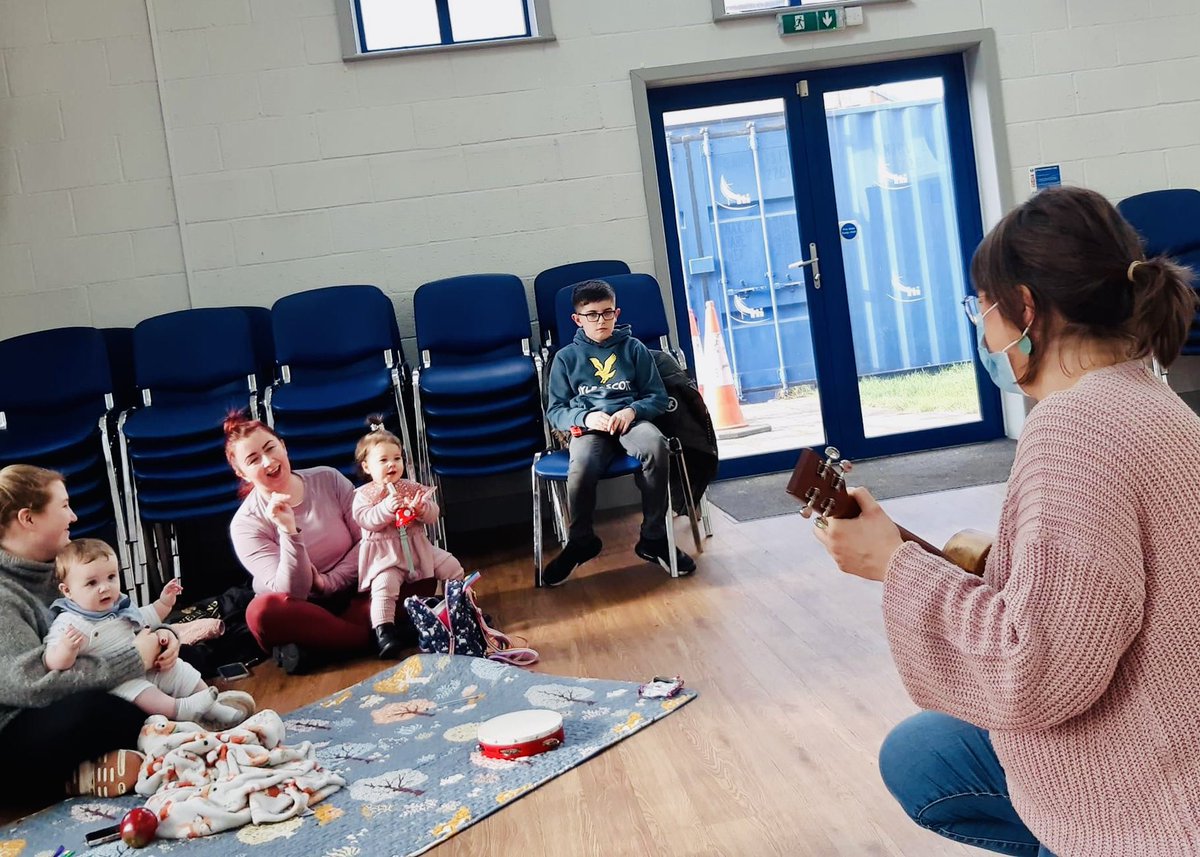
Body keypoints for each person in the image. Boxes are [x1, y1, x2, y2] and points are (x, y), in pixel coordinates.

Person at [813, 186, 1200, 856]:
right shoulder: (1153, 396)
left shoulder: (1071, 427)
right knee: (922, 749)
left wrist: (894, 566)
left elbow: (1035, 671)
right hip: (1177, 733)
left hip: (1155, 798)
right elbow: (1107, 583)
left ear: (1024, 308)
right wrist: (981, 563)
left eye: (981, 308)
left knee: (922, 759)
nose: (983, 332)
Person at [0, 464, 177, 800]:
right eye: (64, 506)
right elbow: (31, 685)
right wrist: (133, 660)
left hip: (62, 697)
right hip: (16, 729)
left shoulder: (57, 567)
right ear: (28, 518)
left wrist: (161, 639)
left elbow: (116, 621)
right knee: (103, 709)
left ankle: (96, 766)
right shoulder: (4, 595)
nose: (74, 517)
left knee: (172, 666)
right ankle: (65, 780)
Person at [225, 413, 436, 675]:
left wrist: (330, 582)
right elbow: (294, 591)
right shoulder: (245, 524)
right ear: (241, 472)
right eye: (253, 459)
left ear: (283, 446)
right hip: (304, 607)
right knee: (261, 613)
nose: (268, 462)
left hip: (359, 586)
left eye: (270, 448)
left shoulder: (328, 478)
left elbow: (370, 540)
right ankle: (381, 634)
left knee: (419, 570)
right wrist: (289, 531)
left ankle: (325, 646)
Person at [543, 279, 696, 585]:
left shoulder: (634, 348)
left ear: (616, 313)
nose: (601, 320)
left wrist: (633, 411)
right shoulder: (565, 358)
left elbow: (656, 397)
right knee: (582, 464)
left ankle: (653, 536)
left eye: (607, 312)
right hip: (591, 428)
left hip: (631, 420)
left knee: (655, 445)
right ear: (577, 319)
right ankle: (581, 540)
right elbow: (556, 411)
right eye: (592, 314)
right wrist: (586, 417)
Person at [45, 538, 249, 728]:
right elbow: (51, 662)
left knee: (180, 670)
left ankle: (212, 707)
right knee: (146, 694)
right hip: (118, 681)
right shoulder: (69, 622)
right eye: (92, 583)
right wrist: (66, 649)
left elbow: (145, 617)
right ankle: (181, 709)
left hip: (148, 665)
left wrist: (164, 603)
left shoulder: (118, 606)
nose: (105, 588)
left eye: (111, 577)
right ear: (67, 591)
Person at [351, 420, 464, 658]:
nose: (392, 464)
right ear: (367, 467)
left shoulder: (410, 487)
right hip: (386, 557)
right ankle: (384, 632)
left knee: (452, 566)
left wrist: (422, 509)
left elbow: (433, 515)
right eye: (383, 460)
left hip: (418, 548)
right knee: (384, 587)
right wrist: (385, 508)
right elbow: (365, 520)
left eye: (397, 458)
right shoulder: (364, 495)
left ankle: (459, 611)